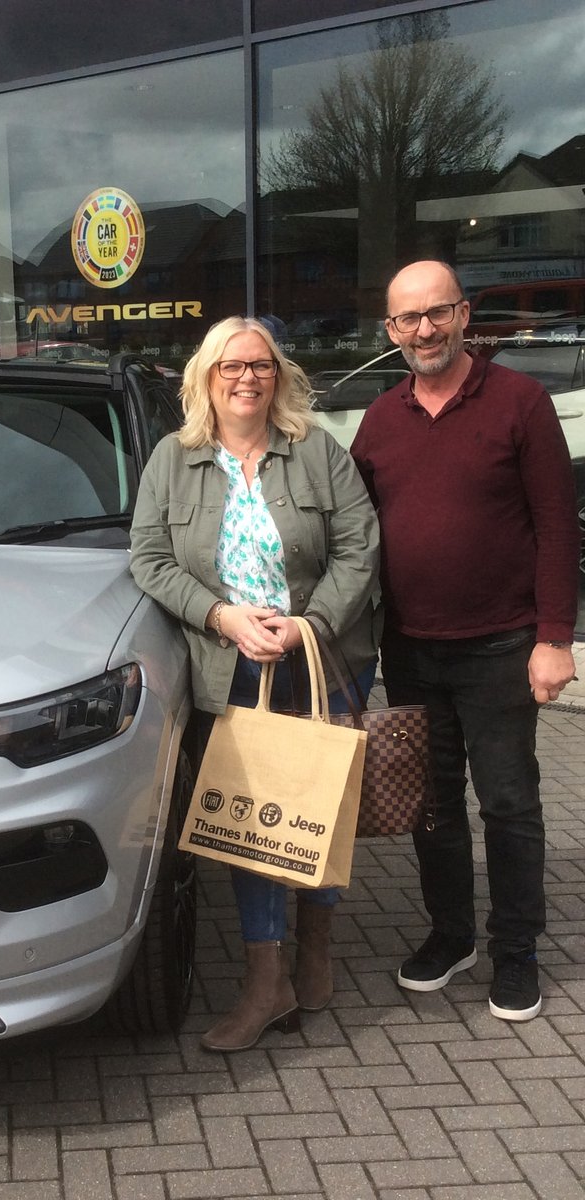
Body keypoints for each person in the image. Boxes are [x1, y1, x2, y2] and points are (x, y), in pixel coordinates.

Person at [130, 316, 380, 1052]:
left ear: (279, 374)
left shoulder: (316, 452)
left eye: (261, 365)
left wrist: (313, 625)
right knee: (253, 823)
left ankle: (316, 953)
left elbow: (359, 547)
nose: (247, 378)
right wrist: (222, 618)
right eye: (231, 366)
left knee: (319, 811)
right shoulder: (173, 460)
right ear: (207, 378)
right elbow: (148, 557)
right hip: (228, 664)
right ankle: (266, 981)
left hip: (321, 658)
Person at [350, 260, 578, 1022]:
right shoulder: (380, 419)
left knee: (509, 804)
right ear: (390, 331)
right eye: (407, 319)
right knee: (433, 807)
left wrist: (554, 637)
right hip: (410, 650)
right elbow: (353, 534)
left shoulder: (520, 402)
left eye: (436, 312)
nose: (423, 329)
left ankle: (517, 950)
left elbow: (556, 528)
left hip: (501, 647)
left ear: (463, 314)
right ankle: (452, 936)